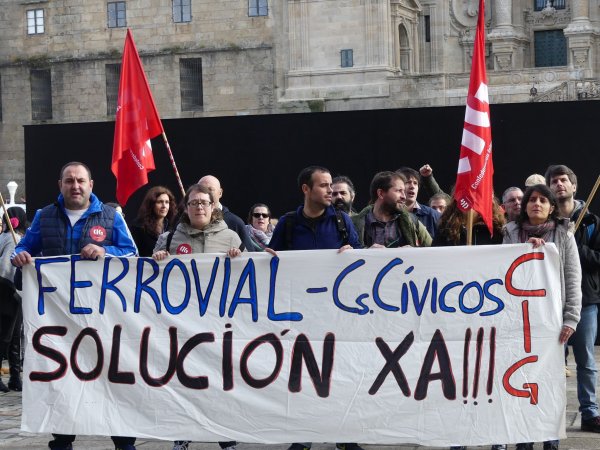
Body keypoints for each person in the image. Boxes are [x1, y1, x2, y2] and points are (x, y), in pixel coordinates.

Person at [11, 161, 137, 450]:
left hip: (102, 320)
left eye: (81, 180)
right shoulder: (44, 216)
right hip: (61, 323)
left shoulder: (110, 217)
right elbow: (24, 248)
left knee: (110, 379)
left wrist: (105, 250)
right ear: (61, 185)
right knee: (64, 381)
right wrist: (20, 256)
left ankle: (124, 442)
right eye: (69, 181)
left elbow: (131, 253)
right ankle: (62, 441)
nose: (75, 186)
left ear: (91, 185)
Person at [267, 166, 362, 450]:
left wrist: (354, 253)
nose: (330, 190)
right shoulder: (287, 224)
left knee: (342, 375)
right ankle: (302, 436)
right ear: (306, 189)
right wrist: (265, 259)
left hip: (338, 315)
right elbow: (270, 261)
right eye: (323, 185)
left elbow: (362, 260)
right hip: (301, 315)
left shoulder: (342, 222)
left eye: (331, 185)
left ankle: (345, 437)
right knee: (301, 377)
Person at [152, 184, 241, 450]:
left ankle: (226, 436)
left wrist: (240, 258)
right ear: (186, 207)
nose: (199, 207)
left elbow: (252, 275)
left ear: (213, 206)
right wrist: (158, 259)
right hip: (182, 324)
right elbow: (151, 276)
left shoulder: (231, 237)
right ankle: (183, 432)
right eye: (193, 203)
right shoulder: (169, 239)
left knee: (221, 381)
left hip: (219, 323)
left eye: (204, 202)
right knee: (184, 380)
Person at [545, 165, 600, 433]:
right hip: (550, 302)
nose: (559, 184)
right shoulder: (546, 222)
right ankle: (551, 413)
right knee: (553, 360)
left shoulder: (592, 222)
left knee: (586, 361)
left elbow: (598, 259)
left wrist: (574, 247)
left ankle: (590, 412)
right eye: (554, 181)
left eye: (563, 180)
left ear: (574, 186)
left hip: (585, 301)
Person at [352, 171, 431, 248]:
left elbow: (433, 250)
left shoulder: (412, 222)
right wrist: (367, 252)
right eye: (399, 191)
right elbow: (347, 252)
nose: (404, 197)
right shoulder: (353, 224)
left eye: (403, 191)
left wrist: (412, 251)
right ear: (381, 193)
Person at [0, 207, 27, 392]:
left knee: (15, 334)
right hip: (8, 290)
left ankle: (15, 377)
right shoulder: (12, 238)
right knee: (5, 335)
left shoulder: (6, 237)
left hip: (11, 291)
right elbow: (5, 267)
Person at [197, 175, 253, 251]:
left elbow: (250, 255)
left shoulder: (235, 223)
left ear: (220, 193)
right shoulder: (186, 222)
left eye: (210, 190)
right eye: (201, 190)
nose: (206, 194)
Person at [130, 186, 176, 256]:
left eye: (167, 202)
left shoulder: (174, 227)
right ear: (151, 204)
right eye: (160, 202)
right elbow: (134, 254)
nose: (164, 206)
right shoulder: (138, 227)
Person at [396, 166, 441, 238]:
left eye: (415, 183)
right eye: (407, 182)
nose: (412, 186)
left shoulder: (432, 215)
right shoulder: (387, 214)